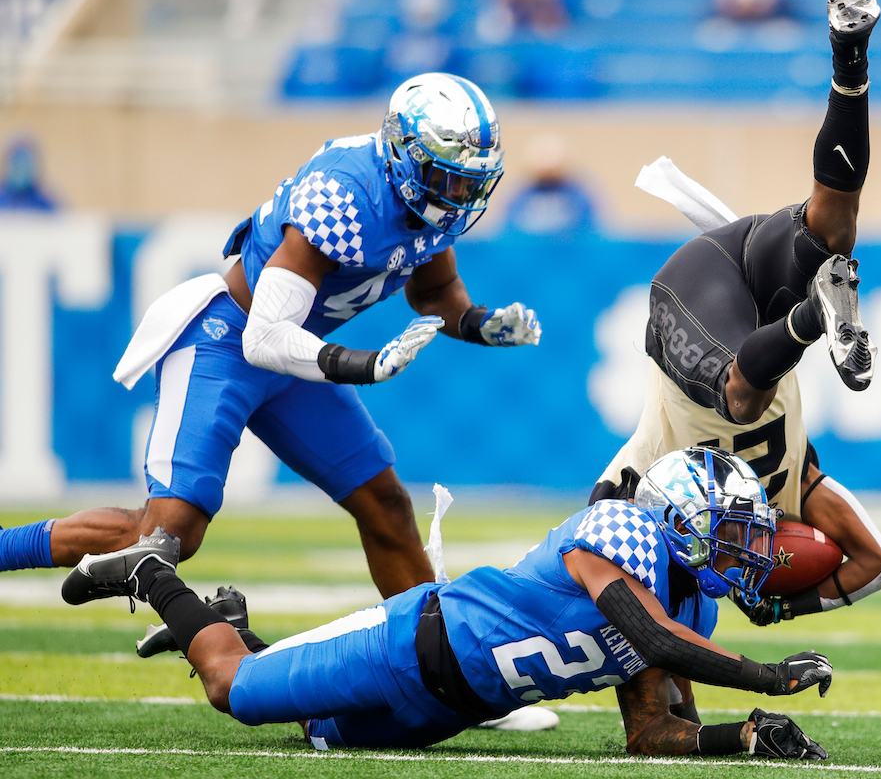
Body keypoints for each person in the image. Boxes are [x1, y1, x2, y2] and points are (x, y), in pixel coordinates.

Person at [0, 73, 541, 604]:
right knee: (167, 535)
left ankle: (433, 656)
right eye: (449, 179)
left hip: (293, 355)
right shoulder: (345, 195)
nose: (460, 195)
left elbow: (436, 291)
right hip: (226, 341)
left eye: (469, 182)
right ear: (404, 156)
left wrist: (478, 323)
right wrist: (364, 363)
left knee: (386, 504)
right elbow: (264, 336)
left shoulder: (427, 207)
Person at [62, 446, 834, 759]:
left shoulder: (693, 610)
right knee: (233, 692)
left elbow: (654, 732)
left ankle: (233, 627)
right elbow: (647, 634)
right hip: (409, 643)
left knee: (316, 733)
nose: (746, 551)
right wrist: (768, 677)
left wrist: (744, 737)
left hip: (450, 709)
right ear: (678, 517)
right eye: (729, 532)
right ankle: (151, 578)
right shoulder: (621, 529)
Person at [591, 0, 881, 627]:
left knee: (830, 234)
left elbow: (880, 563)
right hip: (704, 291)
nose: (746, 553)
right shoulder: (793, 489)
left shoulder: (643, 477)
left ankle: (850, 60)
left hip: (729, 322)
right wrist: (781, 609)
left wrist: (776, 610)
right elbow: (879, 562)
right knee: (744, 391)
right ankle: (816, 313)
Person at [503, 133, 597, 236]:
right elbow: (508, 225)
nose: (549, 176)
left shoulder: (578, 193)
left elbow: (591, 225)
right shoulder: (520, 193)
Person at [0, 135, 58, 211]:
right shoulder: (2, 198)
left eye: (25, 165)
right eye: (17, 165)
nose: (21, 171)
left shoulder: (46, 202)